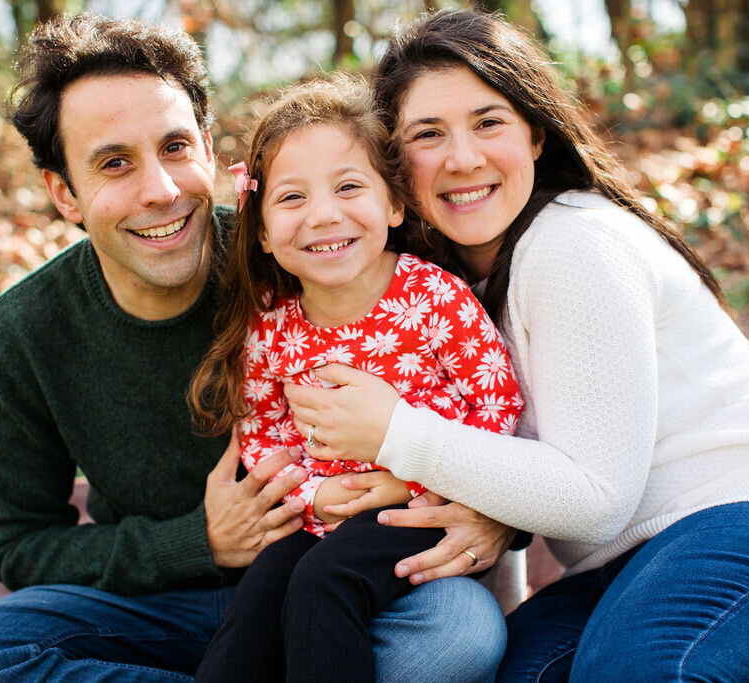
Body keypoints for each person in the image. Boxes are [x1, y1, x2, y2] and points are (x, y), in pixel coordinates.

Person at [0, 13, 508, 682]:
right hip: (155, 608)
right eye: (114, 163)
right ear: (64, 193)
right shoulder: (27, 328)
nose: (160, 191)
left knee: (460, 632)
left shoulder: (309, 253)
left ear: (210, 152)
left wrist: (493, 515)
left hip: (338, 583)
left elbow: (484, 405)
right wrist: (196, 541)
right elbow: (21, 545)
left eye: (174, 147)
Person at [282, 8, 749, 681]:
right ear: (396, 163)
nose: (463, 157)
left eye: (489, 122)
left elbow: (596, 496)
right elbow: (511, 468)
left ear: (535, 134)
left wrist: (398, 431)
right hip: (613, 567)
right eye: (428, 134)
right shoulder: (436, 290)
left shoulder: (575, 242)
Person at [188, 76, 522, 682]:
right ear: (260, 230)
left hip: (414, 511)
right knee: (260, 592)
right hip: (318, 515)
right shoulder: (272, 326)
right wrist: (309, 496)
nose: (323, 215)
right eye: (291, 198)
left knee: (325, 581)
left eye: (348, 187)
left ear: (395, 204)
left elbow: (497, 404)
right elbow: (263, 435)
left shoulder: (431, 297)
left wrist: (416, 480)